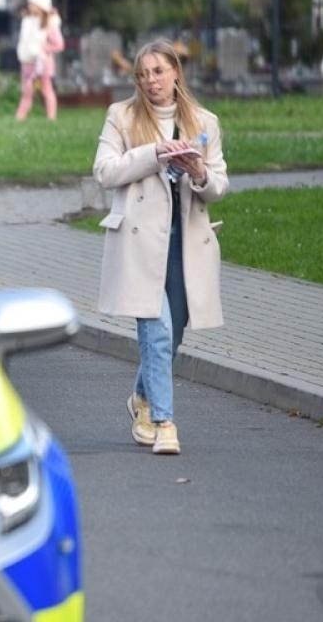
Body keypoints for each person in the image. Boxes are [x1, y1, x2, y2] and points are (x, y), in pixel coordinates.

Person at [93, 40, 227, 456]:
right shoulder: (123, 116)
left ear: (175, 73)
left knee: (176, 330)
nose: (151, 80)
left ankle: (142, 397)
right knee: (158, 331)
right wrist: (153, 154)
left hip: (185, 242)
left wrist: (199, 170)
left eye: (158, 71)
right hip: (139, 243)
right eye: (143, 73)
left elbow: (220, 186)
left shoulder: (205, 121)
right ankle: (164, 422)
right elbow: (104, 171)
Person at [15, 0, 63, 121]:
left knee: (46, 90)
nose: (30, 7)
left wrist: (43, 50)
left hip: (42, 63)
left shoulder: (50, 23)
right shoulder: (28, 22)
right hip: (28, 62)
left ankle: (51, 117)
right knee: (27, 91)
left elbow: (58, 44)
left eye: (33, 4)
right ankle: (20, 117)